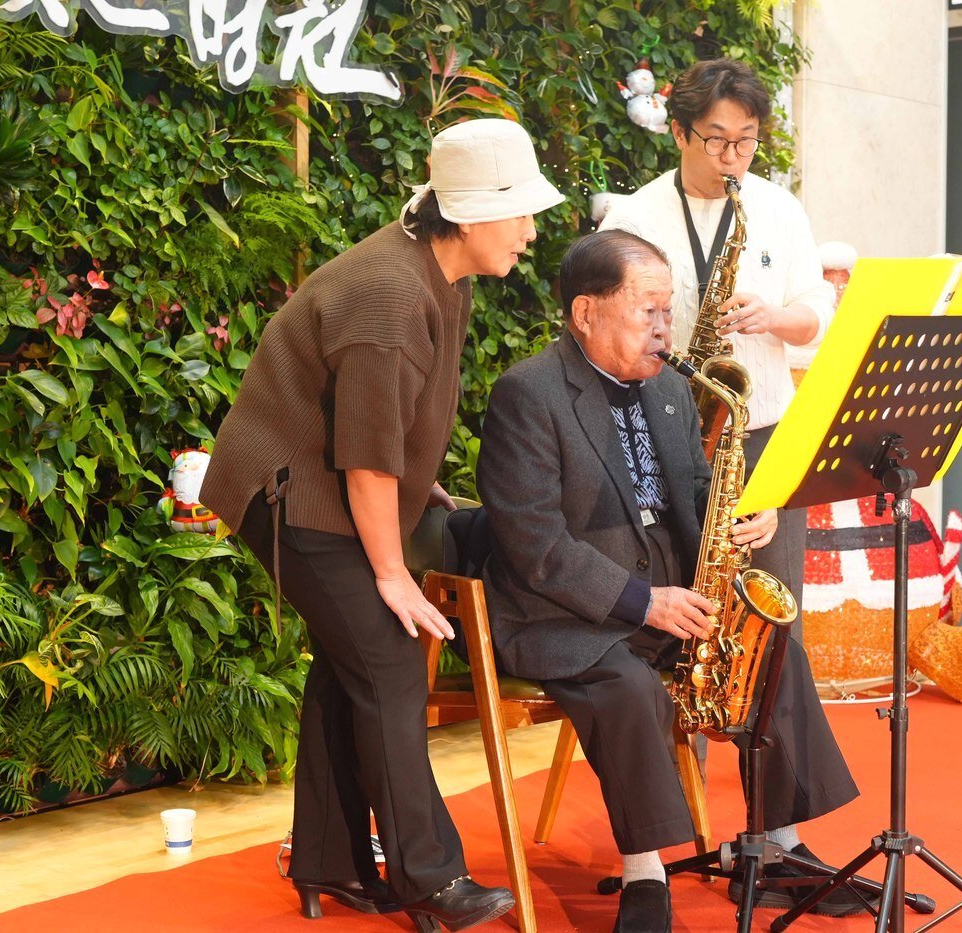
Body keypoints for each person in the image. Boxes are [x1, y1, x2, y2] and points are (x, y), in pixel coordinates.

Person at [199, 118, 564, 931]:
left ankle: (330, 862)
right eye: (519, 212)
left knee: (352, 664)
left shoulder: (445, 272)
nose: (531, 231)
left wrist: (421, 487)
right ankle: (428, 877)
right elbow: (366, 460)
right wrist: (393, 574)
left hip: (333, 483)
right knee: (391, 660)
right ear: (467, 214)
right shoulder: (390, 296)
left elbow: (397, 415)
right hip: (293, 492)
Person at [477, 231, 862, 932]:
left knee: (775, 654)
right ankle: (645, 874)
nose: (664, 329)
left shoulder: (672, 393)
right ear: (585, 312)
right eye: (646, 311)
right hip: (565, 614)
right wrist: (642, 602)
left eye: (667, 311)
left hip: (670, 602)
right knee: (627, 688)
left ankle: (779, 848)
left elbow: (695, 491)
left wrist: (746, 511)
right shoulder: (527, 394)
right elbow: (535, 543)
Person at [600, 58, 838, 639]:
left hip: (760, 439)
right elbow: (605, 334)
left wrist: (775, 317)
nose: (732, 158)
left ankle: (770, 702)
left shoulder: (778, 209)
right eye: (716, 140)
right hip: (665, 436)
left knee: (773, 616)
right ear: (679, 133)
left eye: (746, 142)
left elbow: (818, 315)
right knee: (682, 615)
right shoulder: (633, 217)